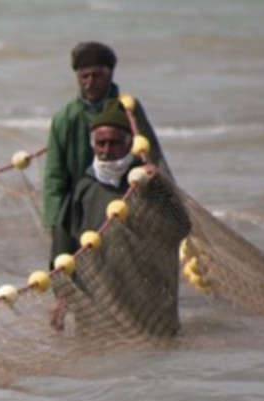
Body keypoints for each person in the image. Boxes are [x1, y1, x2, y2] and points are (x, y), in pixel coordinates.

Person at [49, 100, 190, 333]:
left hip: (146, 303)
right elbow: (62, 244)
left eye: (113, 143)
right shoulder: (83, 189)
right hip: (98, 302)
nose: (106, 150)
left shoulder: (146, 184)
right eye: (100, 143)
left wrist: (158, 187)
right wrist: (61, 296)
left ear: (128, 144)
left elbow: (181, 226)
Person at [42, 41, 169, 233]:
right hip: (84, 204)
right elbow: (54, 175)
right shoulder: (65, 118)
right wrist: (55, 223)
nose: (90, 82)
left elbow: (152, 155)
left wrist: (159, 180)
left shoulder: (128, 109)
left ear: (110, 75)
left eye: (97, 76)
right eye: (84, 76)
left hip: (128, 201)